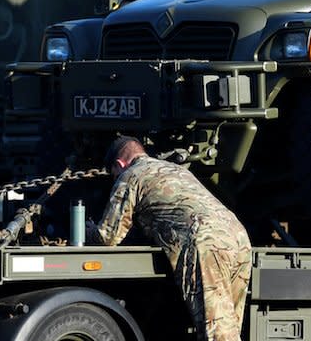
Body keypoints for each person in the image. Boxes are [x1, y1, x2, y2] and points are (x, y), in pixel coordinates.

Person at [93, 136, 251, 341]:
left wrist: (89, 231)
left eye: (113, 175)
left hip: (205, 243)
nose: (115, 179)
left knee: (218, 333)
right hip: (237, 237)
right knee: (229, 327)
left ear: (119, 164)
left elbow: (108, 237)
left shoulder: (131, 175)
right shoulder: (177, 170)